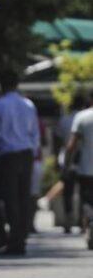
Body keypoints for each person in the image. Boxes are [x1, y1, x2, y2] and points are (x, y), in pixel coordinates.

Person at [0, 70, 40, 255]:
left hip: (6, 155)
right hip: (26, 154)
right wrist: (32, 153)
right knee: (23, 198)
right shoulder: (28, 104)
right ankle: (20, 238)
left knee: (9, 199)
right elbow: (34, 133)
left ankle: (14, 241)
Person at [63, 92, 93, 247]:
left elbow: (72, 145)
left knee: (87, 201)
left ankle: (89, 227)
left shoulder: (82, 117)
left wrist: (67, 165)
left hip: (87, 168)